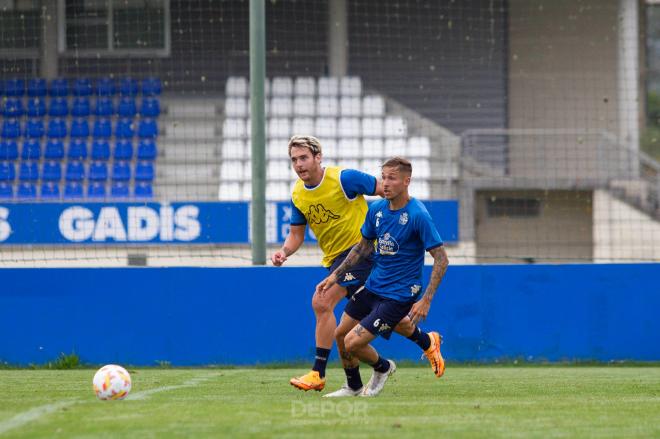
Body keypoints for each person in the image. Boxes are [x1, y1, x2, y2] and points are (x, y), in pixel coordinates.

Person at [272, 136, 435, 394]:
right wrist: (283, 252)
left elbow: (386, 190)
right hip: (337, 260)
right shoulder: (298, 194)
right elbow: (296, 235)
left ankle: (318, 372)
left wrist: (402, 226)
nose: (299, 164)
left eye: (304, 157)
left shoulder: (343, 178)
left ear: (318, 157)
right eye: (294, 159)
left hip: (362, 252)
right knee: (376, 319)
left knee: (321, 301)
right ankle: (420, 345)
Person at [316, 156, 449, 397]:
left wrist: (426, 299)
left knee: (353, 343)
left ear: (406, 181)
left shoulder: (418, 214)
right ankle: (353, 386)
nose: (385, 183)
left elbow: (442, 258)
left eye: (392, 178)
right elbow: (362, 247)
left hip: (399, 294)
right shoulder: (376, 209)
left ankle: (383, 367)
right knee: (340, 334)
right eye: (383, 177)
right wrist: (335, 276)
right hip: (373, 285)